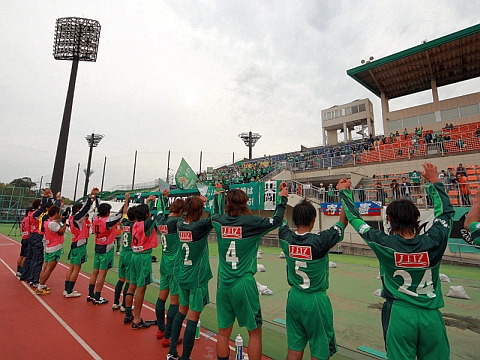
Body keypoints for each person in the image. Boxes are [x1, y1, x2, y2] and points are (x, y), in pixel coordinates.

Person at [337, 162, 453, 360]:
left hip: (399, 314)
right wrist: (435, 183)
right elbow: (445, 213)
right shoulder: (435, 240)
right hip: (431, 315)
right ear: (417, 218)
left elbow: (355, 219)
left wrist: (345, 194)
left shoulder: (383, 242)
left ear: (389, 219)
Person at [211, 183, 288, 360]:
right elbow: (276, 220)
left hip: (223, 283)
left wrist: (218, 194)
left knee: (223, 333)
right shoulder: (251, 223)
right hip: (243, 282)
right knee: (254, 333)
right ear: (245, 203)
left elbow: (217, 214)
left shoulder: (218, 221)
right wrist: (282, 199)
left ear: (228, 204)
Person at [278, 199, 347, 360]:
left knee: (294, 350)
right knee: (320, 351)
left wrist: (282, 199)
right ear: (313, 220)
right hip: (315, 300)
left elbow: (280, 219)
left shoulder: (285, 237)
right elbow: (343, 221)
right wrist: (345, 196)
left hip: (294, 298)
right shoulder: (321, 241)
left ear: (294, 219)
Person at [167, 196, 213, 360]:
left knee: (181, 312)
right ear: (199, 210)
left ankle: (172, 351)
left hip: (183, 274)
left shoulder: (180, 224)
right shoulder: (200, 226)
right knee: (193, 318)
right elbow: (216, 216)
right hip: (197, 279)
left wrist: (198, 203)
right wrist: (212, 199)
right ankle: (185, 357)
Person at [155, 192, 185, 347]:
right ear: (181, 211)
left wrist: (163, 197)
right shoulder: (177, 222)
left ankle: (160, 329)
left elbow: (159, 211)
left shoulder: (162, 220)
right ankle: (168, 336)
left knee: (161, 297)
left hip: (164, 264)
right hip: (175, 266)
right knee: (175, 302)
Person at [129, 195, 159, 329]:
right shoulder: (146, 224)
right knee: (141, 288)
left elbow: (145, 215)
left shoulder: (135, 224)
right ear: (146, 214)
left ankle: (131, 314)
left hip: (135, 256)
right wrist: (153, 204)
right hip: (143, 257)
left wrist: (146, 202)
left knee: (134, 285)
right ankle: (136, 319)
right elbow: (154, 217)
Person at [87, 201, 125, 305]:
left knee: (95, 272)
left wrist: (97, 198)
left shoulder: (95, 219)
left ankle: (91, 294)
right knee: (102, 274)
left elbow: (98, 208)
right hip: (106, 249)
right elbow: (120, 214)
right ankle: (98, 296)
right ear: (107, 212)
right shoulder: (107, 222)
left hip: (97, 246)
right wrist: (126, 201)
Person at [65, 188, 98, 298]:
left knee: (71, 267)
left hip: (75, 243)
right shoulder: (77, 218)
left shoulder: (71, 218)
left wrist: (92, 199)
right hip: (79, 244)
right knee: (76, 269)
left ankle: (67, 289)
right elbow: (84, 210)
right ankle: (69, 290)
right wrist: (90, 197)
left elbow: (85, 210)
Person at [20, 189, 55, 287]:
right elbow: (46, 208)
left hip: (32, 235)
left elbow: (49, 208)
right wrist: (45, 197)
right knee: (38, 258)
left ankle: (25, 275)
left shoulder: (31, 213)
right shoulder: (36, 214)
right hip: (37, 236)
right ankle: (34, 279)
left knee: (30, 257)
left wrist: (50, 198)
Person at [36, 205, 68, 294]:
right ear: (56, 213)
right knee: (49, 269)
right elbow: (61, 231)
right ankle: (40, 287)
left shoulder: (47, 222)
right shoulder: (52, 224)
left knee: (45, 267)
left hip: (49, 246)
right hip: (54, 247)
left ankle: (41, 285)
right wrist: (66, 222)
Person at [112, 193, 134, 311]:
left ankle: (116, 302)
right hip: (130, 254)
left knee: (121, 279)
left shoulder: (125, 222)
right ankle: (125, 305)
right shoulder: (135, 225)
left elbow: (124, 212)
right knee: (129, 281)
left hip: (123, 253)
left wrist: (126, 200)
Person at [16, 206, 33, 277]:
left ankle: (18, 270)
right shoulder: (29, 219)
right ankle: (22, 270)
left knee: (21, 255)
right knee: (26, 256)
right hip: (28, 238)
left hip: (24, 238)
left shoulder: (24, 219)